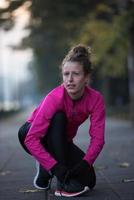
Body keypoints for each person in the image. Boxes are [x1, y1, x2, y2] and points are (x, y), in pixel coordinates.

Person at [18, 44, 105, 197]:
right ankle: (58, 179)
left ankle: (47, 166)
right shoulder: (54, 98)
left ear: (86, 77)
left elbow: (98, 139)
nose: (70, 80)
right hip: (30, 134)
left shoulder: (96, 99)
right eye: (66, 74)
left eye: (76, 74)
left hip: (61, 142)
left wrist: (85, 163)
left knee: (89, 180)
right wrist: (56, 167)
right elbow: (31, 139)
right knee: (58, 117)